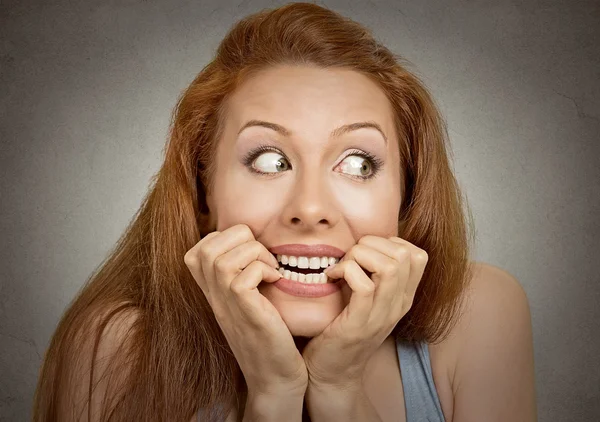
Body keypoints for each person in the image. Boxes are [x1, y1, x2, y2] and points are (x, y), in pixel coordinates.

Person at [32, 2, 537, 421]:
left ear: (406, 196)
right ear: (202, 193)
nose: (310, 208)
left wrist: (339, 389)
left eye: (358, 163)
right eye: (269, 161)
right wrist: (273, 397)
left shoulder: (480, 315)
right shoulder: (115, 347)